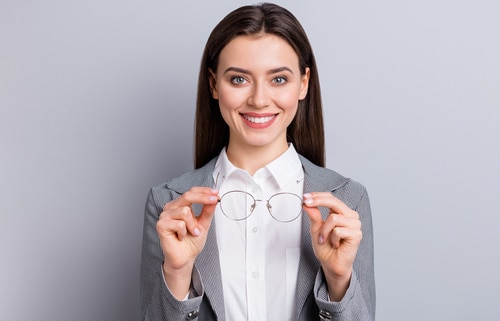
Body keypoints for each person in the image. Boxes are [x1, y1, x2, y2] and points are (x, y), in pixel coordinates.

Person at [140, 3, 375, 320]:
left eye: (278, 79)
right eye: (239, 80)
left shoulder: (346, 200)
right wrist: (178, 273)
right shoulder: (169, 203)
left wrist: (338, 280)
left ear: (303, 83)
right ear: (214, 85)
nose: (259, 100)